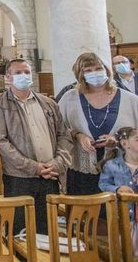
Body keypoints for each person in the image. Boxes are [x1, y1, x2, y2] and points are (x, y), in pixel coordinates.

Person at [0, 58, 72, 235]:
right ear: (8, 78)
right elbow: (1, 142)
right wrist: (33, 167)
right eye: (18, 73)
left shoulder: (48, 103)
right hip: (20, 176)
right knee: (19, 229)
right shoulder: (0, 105)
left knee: (46, 228)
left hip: (50, 174)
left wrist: (57, 163)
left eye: (26, 72)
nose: (24, 76)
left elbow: (63, 135)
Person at [59, 52, 138, 197]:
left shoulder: (130, 99)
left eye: (98, 68)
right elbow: (58, 130)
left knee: (120, 216)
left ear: (106, 70)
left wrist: (119, 139)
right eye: (88, 71)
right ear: (80, 75)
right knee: (86, 215)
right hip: (82, 171)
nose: (94, 73)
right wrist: (78, 135)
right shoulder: (69, 99)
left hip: (121, 172)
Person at [99, 126, 138, 258]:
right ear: (125, 143)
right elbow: (103, 184)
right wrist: (117, 189)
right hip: (121, 217)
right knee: (122, 253)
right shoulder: (112, 165)